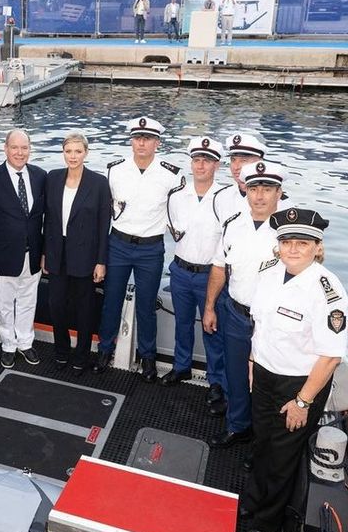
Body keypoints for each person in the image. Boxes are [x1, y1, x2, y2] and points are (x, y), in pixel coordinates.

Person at [241, 208, 348, 532]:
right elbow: (261, 326)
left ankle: (267, 521)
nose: (292, 249)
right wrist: (251, 364)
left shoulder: (327, 291)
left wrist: (302, 401)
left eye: (302, 243)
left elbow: (330, 356)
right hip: (264, 372)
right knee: (261, 441)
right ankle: (252, 501)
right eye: (287, 241)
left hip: (299, 384)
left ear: (318, 246)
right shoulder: (270, 272)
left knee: (283, 453)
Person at [94, 117, 184, 382]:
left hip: (150, 249)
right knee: (111, 301)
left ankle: (148, 357)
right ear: (131, 140)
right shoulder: (114, 170)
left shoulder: (172, 174)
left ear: (157, 143)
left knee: (146, 305)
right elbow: (103, 212)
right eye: (137, 138)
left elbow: (177, 214)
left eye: (148, 139)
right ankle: (104, 350)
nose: (142, 143)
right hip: (118, 244)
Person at [203, 161, 285, 448]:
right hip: (236, 314)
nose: (259, 196)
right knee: (236, 376)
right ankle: (238, 426)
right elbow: (218, 268)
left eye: (267, 189)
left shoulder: (290, 231)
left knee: (267, 384)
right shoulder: (233, 224)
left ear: (279, 192)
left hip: (273, 322)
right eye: (254, 188)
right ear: (246, 191)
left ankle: (263, 441)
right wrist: (210, 307)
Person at [0, 130, 47, 369]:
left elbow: (45, 219)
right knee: (4, 304)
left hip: (33, 253)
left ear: (30, 149)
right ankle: (8, 345)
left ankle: (25, 343)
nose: (20, 152)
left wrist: (45, 251)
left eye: (24, 148)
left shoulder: (40, 176)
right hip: (3, 254)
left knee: (29, 301)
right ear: (5, 148)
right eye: (15, 147)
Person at [42, 133, 111, 372]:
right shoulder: (52, 178)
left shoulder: (99, 183)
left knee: (84, 309)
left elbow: (104, 226)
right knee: (56, 305)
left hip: (85, 256)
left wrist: (101, 261)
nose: (73, 156)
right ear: (63, 153)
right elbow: (47, 220)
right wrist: (44, 252)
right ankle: (61, 349)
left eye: (77, 151)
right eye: (68, 151)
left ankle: (82, 354)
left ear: (86, 153)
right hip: (56, 253)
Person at [162, 136, 226, 387]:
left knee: (213, 329)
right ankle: (181, 367)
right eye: (197, 160)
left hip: (211, 275)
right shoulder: (177, 196)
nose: (201, 166)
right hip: (180, 270)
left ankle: (216, 382)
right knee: (183, 323)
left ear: (217, 166)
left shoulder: (226, 198)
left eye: (207, 161)